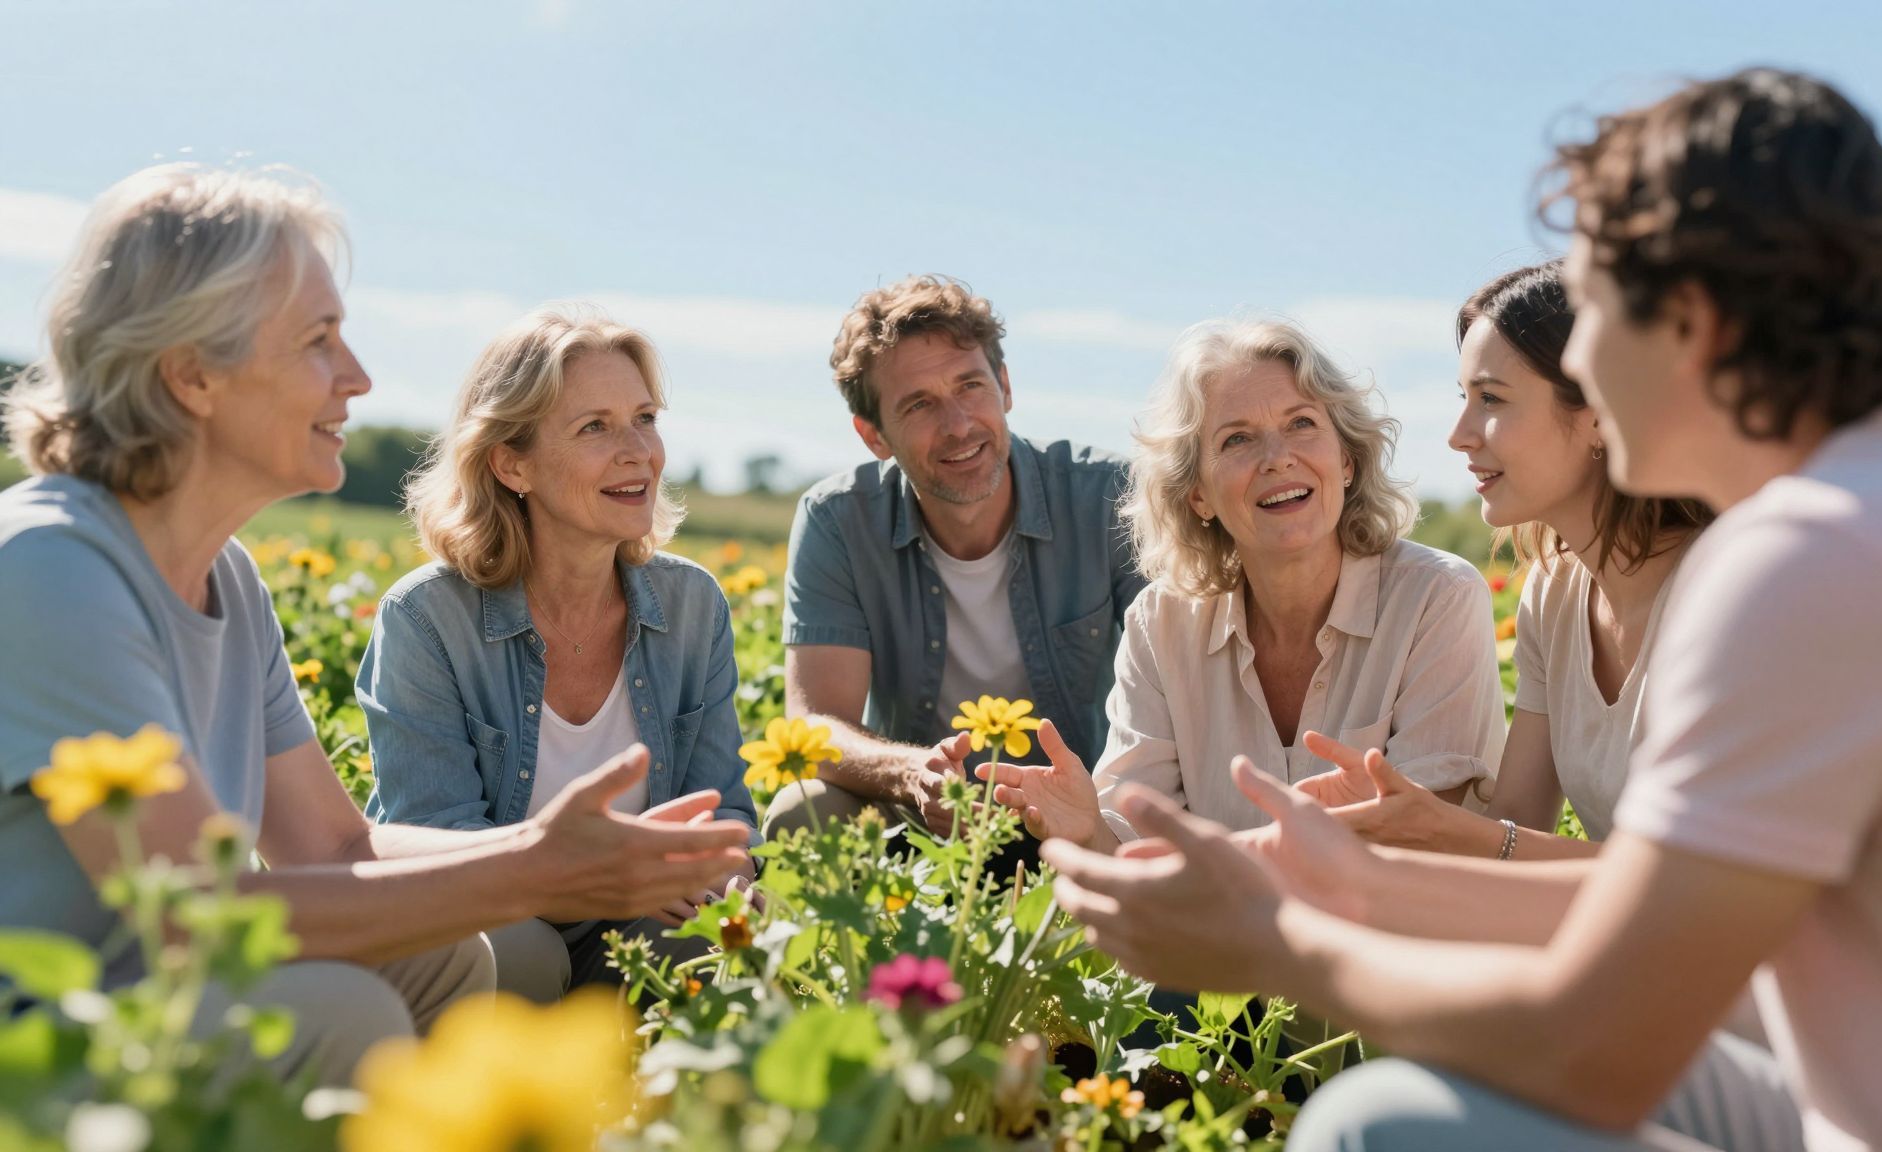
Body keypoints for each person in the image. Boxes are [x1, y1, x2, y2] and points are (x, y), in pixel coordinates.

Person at [1040, 68, 1882, 1151]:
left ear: (1691, 321)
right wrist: (1358, 886)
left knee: (1374, 1124)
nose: (1586, 364)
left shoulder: (1811, 561)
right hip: (1877, 1083)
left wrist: (1278, 942)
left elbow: (1595, 1050)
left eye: (1596, 311)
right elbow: (1652, 919)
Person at [0, 165, 751, 1087]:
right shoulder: (50, 566)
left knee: (445, 959)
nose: (357, 377)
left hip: (153, 989)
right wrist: (537, 869)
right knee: (346, 1011)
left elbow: (336, 848)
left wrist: (572, 855)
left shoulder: (227, 579)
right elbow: (192, 914)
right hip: (42, 1039)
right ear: (192, 373)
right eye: (318, 340)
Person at [985, 317, 1505, 850]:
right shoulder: (1159, 624)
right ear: (1198, 495)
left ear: (1346, 459)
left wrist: (1227, 868)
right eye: (1237, 439)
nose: (1277, 458)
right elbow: (1133, 846)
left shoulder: (1438, 598)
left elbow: (1430, 841)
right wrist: (1087, 829)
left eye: (1301, 423)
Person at [358, 307, 756, 1002]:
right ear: (513, 464)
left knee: (717, 938)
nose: (638, 451)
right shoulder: (425, 617)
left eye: (645, 418)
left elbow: (726, 811)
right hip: (488, 915)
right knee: (522, 953)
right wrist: (604, 877)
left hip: (632, 920)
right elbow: (436, 834)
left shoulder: (693, 604)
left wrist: (722, 874)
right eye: (594, 426)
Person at [1300, 261, 1709, 860]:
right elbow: (1516, 825)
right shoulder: (1554, 593)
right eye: (1464, 398)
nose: (1459, 434)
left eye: (1490, 398)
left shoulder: (1729, 588)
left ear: (1601, 412)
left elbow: (1709, 883)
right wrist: (1395, 821)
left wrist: (1452, 832)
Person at [763, 275, 1145, 839]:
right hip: (922, 817)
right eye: (919, 404)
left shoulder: (1111, 496)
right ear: (874, 436)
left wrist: (1095, 816)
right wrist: (912, 774)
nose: (959, 426)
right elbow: (816, 725)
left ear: (1005, 387)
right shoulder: (837, 520)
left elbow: (1184, 690)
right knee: (802, 812)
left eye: (970, 386)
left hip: (1087, 812)